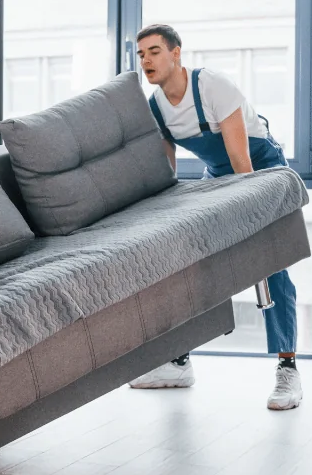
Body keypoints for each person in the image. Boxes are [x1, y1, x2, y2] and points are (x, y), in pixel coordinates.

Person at [128, 24, 303, 411]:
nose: (146, 61)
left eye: (154, 51)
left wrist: (252, 224)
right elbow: (168, 173)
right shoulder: (155, 107)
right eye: (141, 55)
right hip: (220, 175)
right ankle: (179, 361)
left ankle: (288, 368)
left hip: (260, 171)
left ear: (176, 53)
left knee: (271, 263)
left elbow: (241, 162)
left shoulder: (213, 86)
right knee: (192, 263)